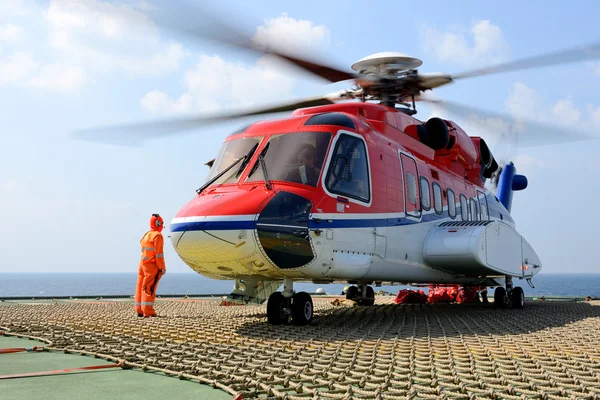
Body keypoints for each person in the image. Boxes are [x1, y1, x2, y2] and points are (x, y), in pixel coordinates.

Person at [135, 214, 167, 317]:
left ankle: (139, 310)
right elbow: (159, 254)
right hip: (151, 265)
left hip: (142, 264)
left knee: (140, 286)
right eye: (161, 224)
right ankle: (148, 311)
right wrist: (162, 267)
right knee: (149, 288)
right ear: (158, 223)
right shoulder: (157, 236)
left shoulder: (146, 235)